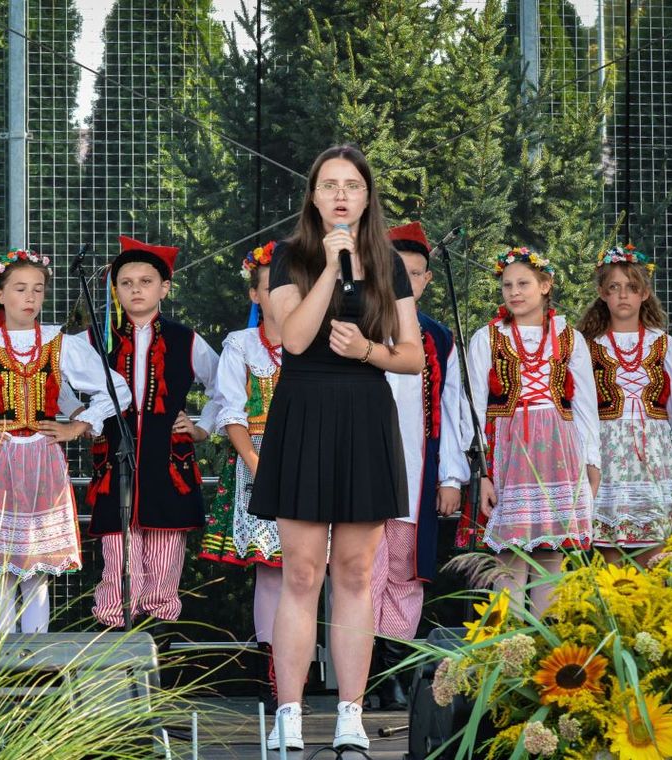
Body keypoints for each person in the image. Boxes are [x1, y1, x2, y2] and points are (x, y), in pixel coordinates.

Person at [248, 145, 425, 752]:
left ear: (367, 197)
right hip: (304, 411)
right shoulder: (287, 258)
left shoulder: (387, 263)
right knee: (300, 572)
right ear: (314, 197)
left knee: (354, 573)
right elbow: (292, 340)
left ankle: (351, 715)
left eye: (352, 185)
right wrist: (329, 268)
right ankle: (290, 715)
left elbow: (413, 357)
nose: (341, 195)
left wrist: (366, 353)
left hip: (364, 413)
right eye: (329, 185)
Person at [0, 248, 128, 633]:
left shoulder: (61, 344)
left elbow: (115, 389)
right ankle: (0, 663)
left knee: (37, 570)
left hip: (43, 460)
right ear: (0, 295)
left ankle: (35, 663)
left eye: (38, 289)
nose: (31, 297)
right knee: (0, 570)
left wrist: (79, 425)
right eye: (20, 288)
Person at [455, 246, 600, 614]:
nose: (514, 292)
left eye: (523, 283)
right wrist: (481, 473)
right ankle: (507, 647)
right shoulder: (486, 338)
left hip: (559, 452)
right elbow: (469, 409)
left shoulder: (569, 339)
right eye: (507, 285)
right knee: (510, 555)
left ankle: (542, 649)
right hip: (509, 454)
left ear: (546, 285)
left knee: (551, 554)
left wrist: (591, 465)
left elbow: (584, 408)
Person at [87, 236, 219, 632]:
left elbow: (225, 389)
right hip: (115, 459)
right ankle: (113, 627)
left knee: (164, 550)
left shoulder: (186, 339)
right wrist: (79, 415)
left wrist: (201, 428)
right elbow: (55, 380)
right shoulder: (95, 338)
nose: (136, 290)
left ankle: (158, 628)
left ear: (164, 288)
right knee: (118, 551)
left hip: (169, 460)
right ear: (116, 290)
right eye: (126, 282)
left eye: (146, 281)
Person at [370, 222, 471, 709]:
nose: (404, 282)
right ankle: (363, 670)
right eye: (396, 272)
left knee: (405, 573)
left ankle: (393, 670)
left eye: (414, 274)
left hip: (417, 471)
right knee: (362, 571)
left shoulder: (438, 337)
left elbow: (452, 412)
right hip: (364, 474)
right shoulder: (358, 324)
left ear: (427, 280)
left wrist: (451, 476)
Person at [198, 241, 286, 707]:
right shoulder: (241, 344)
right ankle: (272, 676)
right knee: (272, 573)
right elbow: (231, 411)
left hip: (310, 465)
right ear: (255, 295)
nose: (282, 295)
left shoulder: (313, 342)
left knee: (311, 573)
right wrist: (256, 466)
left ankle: (300, 674)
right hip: (257, 462)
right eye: (271, 287)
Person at [577, 243, 672, 564]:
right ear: (602, 293)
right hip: (606, 460)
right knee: (609, 557)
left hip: (655, 460)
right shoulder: (587, 348)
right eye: (614, 287)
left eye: (632, 287)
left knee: (656, 555)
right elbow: (580, 412)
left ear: (644, 293)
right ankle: (613, 614)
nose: (623, 295)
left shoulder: (665, 345)